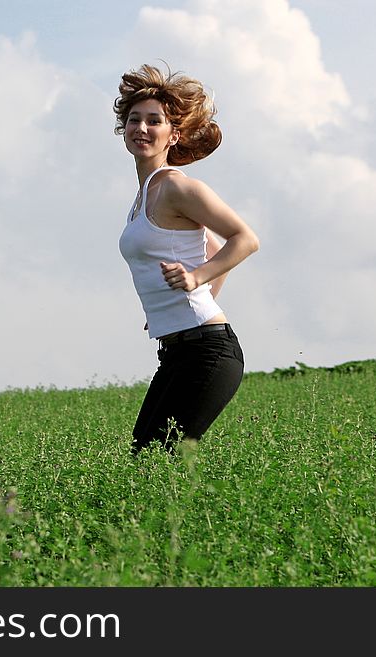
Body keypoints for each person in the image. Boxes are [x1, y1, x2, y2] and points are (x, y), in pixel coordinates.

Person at [116, 63, 260, 454]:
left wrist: (197, 280)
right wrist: (193, 289)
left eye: (154, 121)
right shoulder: (145, 194)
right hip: (178, 351)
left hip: (208, 351)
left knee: (157, 462)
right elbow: (214, 250)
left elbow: (244, 239)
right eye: (133, 120)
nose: (141, 128)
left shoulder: (176, 187)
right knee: (143, 460)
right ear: (123, 130)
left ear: (173, 134)